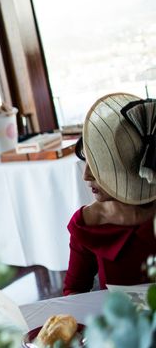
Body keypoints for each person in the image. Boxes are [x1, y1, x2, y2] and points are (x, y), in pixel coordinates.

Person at [63, 93, 156, 295]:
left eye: (99, 167)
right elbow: (74, 292)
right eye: (85, 163)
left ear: (128, 167)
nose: (86, 176)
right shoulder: (87, 222)